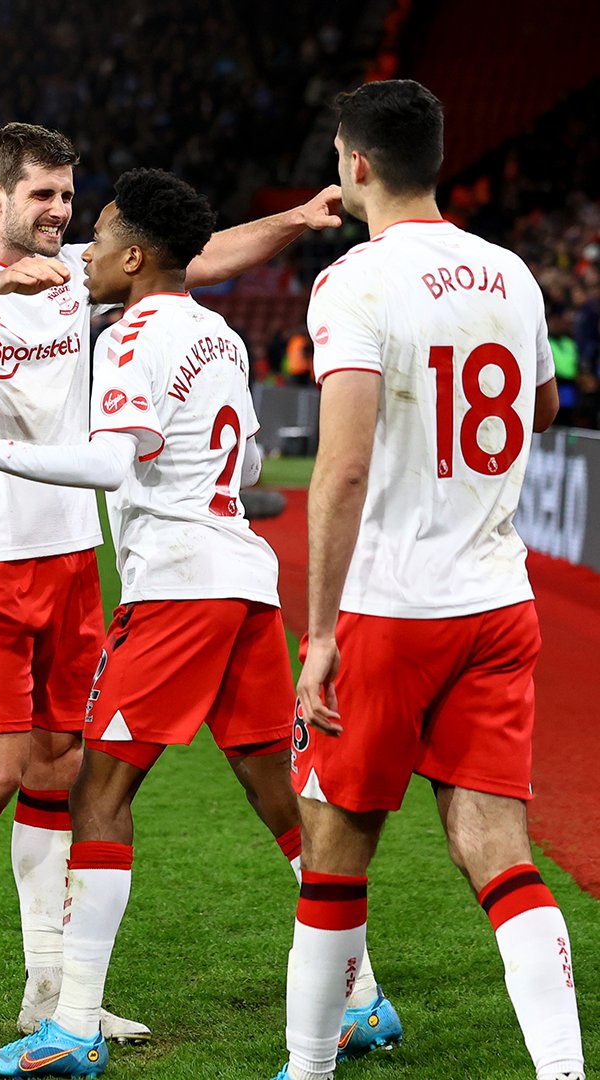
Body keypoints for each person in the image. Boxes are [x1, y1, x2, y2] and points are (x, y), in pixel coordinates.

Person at [0, 168, 398, 1078]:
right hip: (246, 581)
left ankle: (71, 1027)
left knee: (94, 796)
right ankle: (362, 999)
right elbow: (245, 465)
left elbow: (105, 468)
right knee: (276, 794)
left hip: (175, 591)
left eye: (99, 231)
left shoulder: (130, 340)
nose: (82, 251)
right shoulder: (219, 333)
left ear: (134, 257)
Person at [276, 80, 583, 1080]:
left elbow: (345, 466)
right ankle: (564, 1072)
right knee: (498, 847)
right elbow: (537, 407)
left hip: (393, 607)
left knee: (336, 843)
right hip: (498, 599)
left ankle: (310, 1068)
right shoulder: (512, 274)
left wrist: (319, 635)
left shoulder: (353, 283)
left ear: (355, 164)